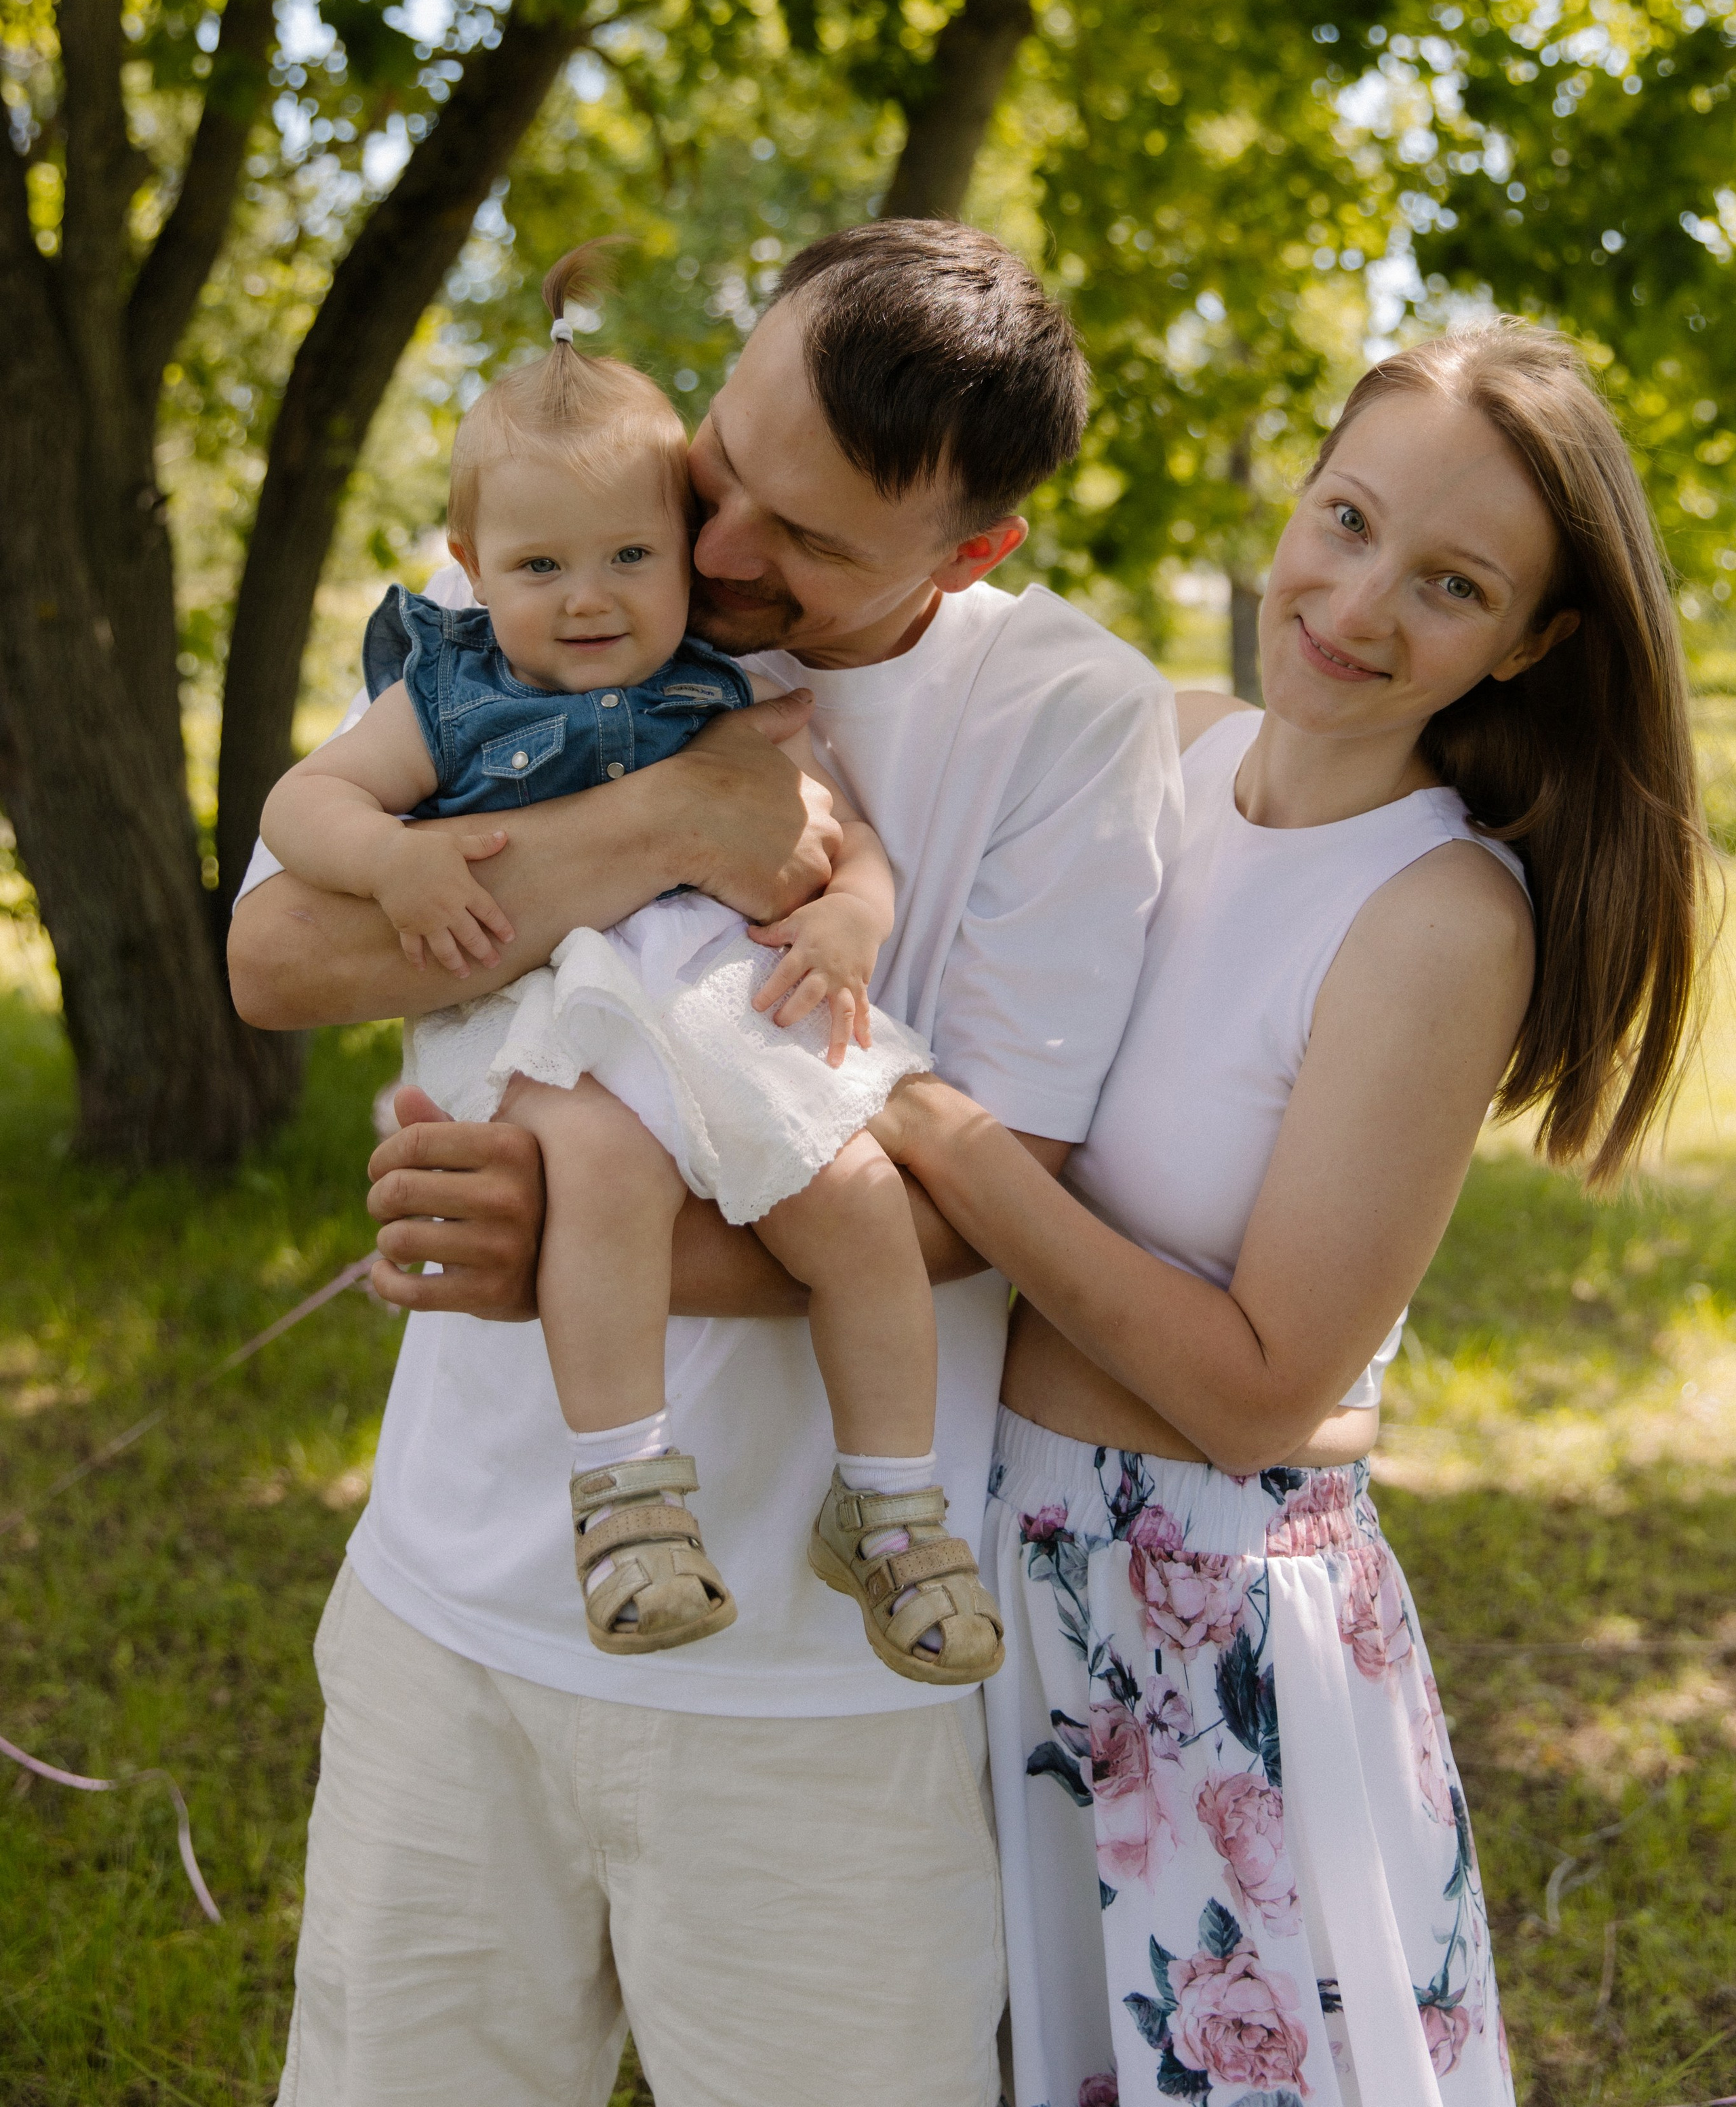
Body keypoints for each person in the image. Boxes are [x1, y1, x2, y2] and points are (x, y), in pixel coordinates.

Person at [229, 218, 1183, 2107]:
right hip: (457, 1603)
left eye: (811, 539)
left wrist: (584, 1239)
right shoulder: (554, 562)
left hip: (818, 1684)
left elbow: (978, 1203)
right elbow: (280, 953)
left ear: (971, 551)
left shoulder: (1067, 720)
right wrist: (676, 812)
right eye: (726, 466)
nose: (722, 548)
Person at [865, 321, 1707, 2106]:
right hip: (959, 1572)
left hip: (1188, 1635)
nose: (1357, 601)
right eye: (1346, 518)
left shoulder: (1435, 918)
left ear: (1531, 642)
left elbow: (1260, 1392)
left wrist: (943, 1138)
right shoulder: (1153, 752)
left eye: (1452, 582)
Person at [258, 245, 1002, 1681]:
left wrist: (853, 912)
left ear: (680, 541)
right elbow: (306, 807)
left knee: (855, 1197)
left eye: (629, 557)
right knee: (597, 1170)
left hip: (721, 1023)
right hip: (551, 1021)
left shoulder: (728, 690)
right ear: (474, 571)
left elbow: (844, 841)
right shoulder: (453, 691)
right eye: (540, 568)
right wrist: (395, 859)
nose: (589, 598)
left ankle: (892, 1508)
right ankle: (625, 1496)